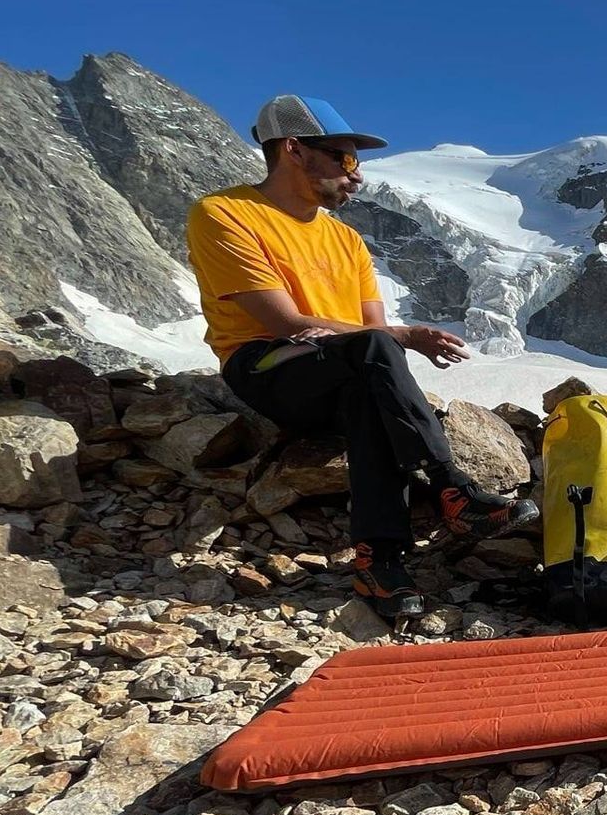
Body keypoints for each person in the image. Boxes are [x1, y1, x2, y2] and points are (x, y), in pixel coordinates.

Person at [186, 94, 536, 619]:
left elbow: (371, 333)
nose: (357, 176)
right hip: (266, 365)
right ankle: (451, 488)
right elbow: (286, 324)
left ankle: (381, 563)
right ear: (295, 150)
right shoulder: (225, 214)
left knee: (368, 400)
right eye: (345, 159)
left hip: (342, 368)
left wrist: (390, 336)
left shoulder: (346, 240)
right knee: (371, 355)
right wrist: (404, 334)